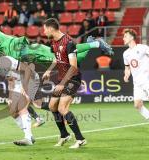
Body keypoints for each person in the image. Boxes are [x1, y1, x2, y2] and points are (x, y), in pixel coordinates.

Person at [42, 18, 113, 149]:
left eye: (45, 29)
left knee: (62, 109)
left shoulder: (68, 42)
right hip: (62, 78)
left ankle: (80, 139)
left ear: (51, 28)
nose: (44, 31)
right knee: (52, 106)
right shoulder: (54, 41)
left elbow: (73, 67)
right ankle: (64, 135)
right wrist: (48, 70)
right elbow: (56, 59)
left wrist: (62, 83)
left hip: (72, 78)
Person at [123, 28, 149, 120]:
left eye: (125, 36)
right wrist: (126, 75)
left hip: (146, 80)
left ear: (131, 37)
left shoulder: (143, 48)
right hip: (137, 83)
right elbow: (127, 67)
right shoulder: (125, 54)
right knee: (137, 105)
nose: (123, 38)